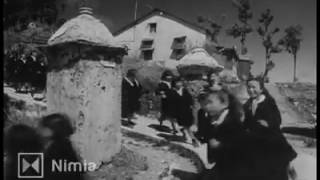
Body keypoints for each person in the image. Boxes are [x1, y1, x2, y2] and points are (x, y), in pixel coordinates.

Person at [243, 78, 297, 180]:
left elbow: (277, 119)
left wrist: (267, 123)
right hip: (255, 140)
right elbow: (245, 121)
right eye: (248, 87)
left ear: (261, 88)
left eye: (253, 87)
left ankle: (287, 169)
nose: (250, 90)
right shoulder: (247, 104)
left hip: (271, 140)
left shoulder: (268, 102)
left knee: (275, 168)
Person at [200, 88, 253, 180]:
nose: (206, 106)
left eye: (210, 102)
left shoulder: (233, 122)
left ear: (224, 104)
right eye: (205, 103)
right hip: (221, 160)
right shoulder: (211, 119)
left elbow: (240, 144)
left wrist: (220, 145)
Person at [38, 113, 85, 180]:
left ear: (51, 131)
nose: (38, 129)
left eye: (43, 126)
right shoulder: (64, 147)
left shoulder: (57, 151)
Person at [171, 77, 199, 145]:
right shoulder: (172, 91)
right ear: (174, 83)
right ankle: (184, 132)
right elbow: (172, 102)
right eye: (177, 82)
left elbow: (190, 99)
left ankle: (193, 140)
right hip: (179, 111)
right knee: (184, 125)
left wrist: (191, 105)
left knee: (188, 126)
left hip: (187, 111)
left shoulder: (185, 90)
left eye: (180, 82)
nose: (179, 84)